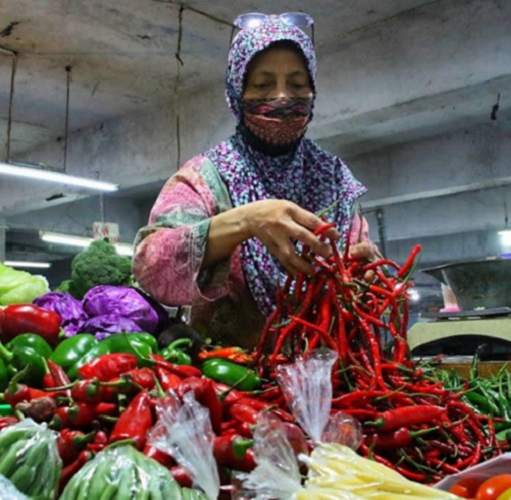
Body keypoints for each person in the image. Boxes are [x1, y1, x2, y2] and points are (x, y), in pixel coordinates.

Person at [134, 13, 378, 348]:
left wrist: (369, 276)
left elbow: (361, 275)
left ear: (313, 90)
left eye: (296, 84)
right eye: (262, 85)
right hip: (233, 383)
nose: (281, 97)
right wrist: (246, 221)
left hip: (330, 380)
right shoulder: (205, 177)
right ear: (237, 91)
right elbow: (153, 270)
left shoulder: (334, 179)